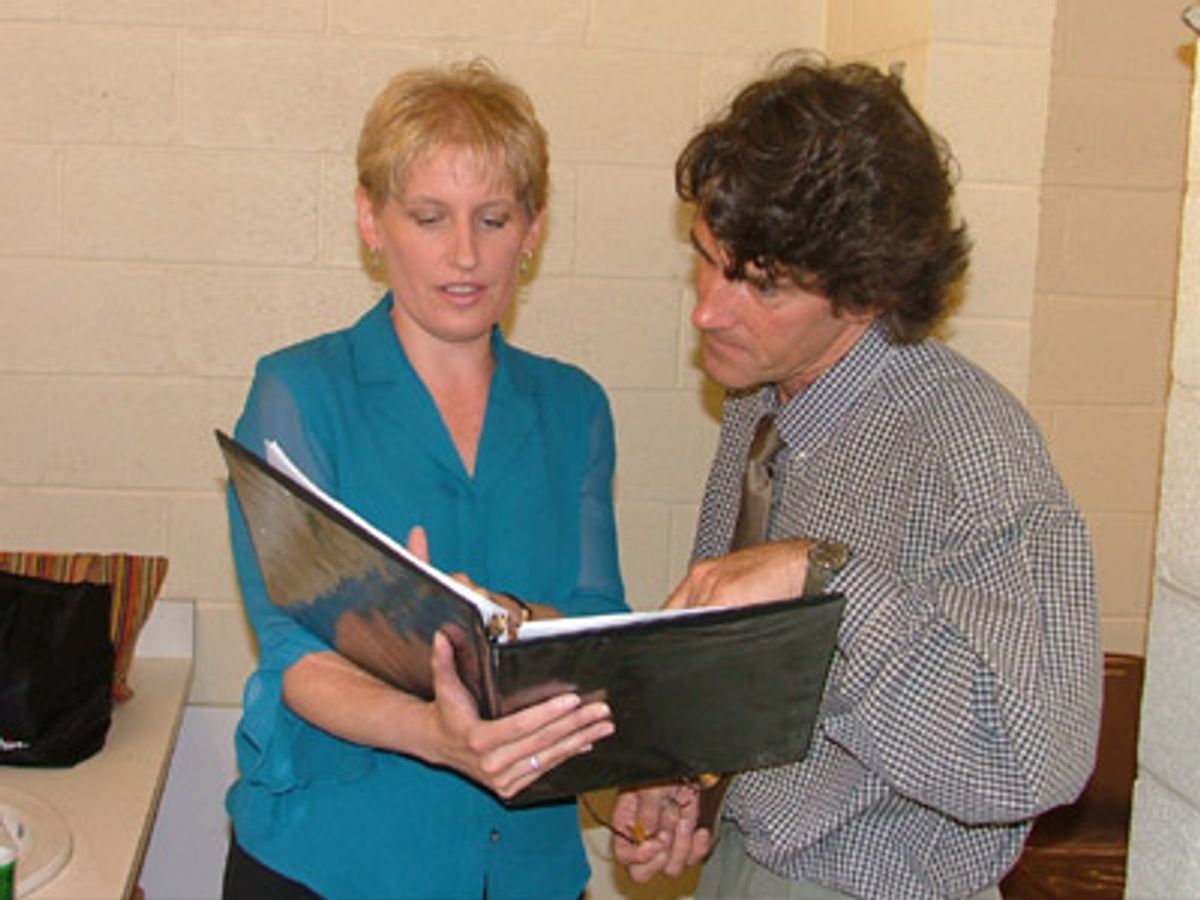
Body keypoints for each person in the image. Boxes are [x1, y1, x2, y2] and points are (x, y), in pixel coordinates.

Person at [611, 53, 1102, 899]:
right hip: (746, 860)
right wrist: (684, 772)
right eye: (708, 258)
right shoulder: (761, 400)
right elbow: (753, 670)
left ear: (869, 293)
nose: (708, 309)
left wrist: (820, 578)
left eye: (762, 286)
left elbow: (1036, 758)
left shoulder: (972, 452)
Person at [222, 60, 627, 899]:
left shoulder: (574, 408)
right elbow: (297, 653)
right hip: (334, 862)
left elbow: (598, 630)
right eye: (429, 217)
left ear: (534, 229)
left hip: (527, 868)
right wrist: (435, 733)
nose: (465, 255)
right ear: (371, 220)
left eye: (494, 219)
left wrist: (499, 619)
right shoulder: (299, 394)